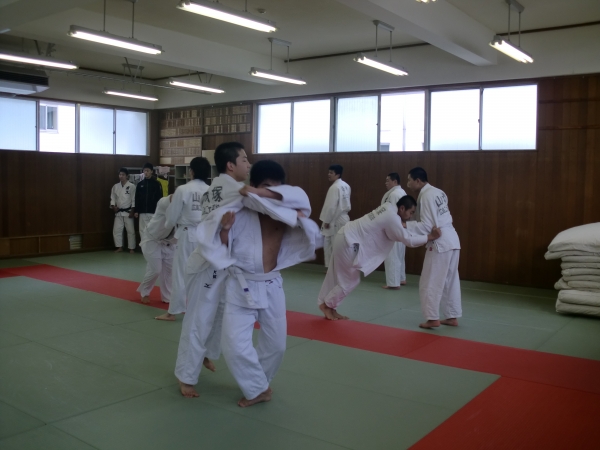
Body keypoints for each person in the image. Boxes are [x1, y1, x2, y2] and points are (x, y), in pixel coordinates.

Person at [219, 160, 321, 407]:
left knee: (276, 346)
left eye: (276, 189)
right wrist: (225, 230)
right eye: (265, 187)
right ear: (253, 185)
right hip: (241, 284)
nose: (270, 193)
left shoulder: (287, 212)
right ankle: (258, 388)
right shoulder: (239, 210)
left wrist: (264, 194)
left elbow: (299, 200)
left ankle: (258, 385)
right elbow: (221, 250)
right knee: (233, 344)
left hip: (271, 283)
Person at [174, 142, 250, 397]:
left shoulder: (216, 187)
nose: (248, 164)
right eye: (244, 159)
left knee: (219, 315)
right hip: (206, 265)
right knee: (198, 319)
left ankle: (204, 354)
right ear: (230, 165)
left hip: (221, 264)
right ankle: (186, 375)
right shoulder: (232, 189)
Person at [318, 196, 441, 321]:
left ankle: (331, 307)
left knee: (340, 278)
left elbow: (399, 230)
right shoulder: (392, 218)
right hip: (348, 242)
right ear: (402, 208)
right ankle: (327, 306)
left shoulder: (388, 207)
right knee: (350, 281)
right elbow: (408, 240)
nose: (410, 216)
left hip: (345, 236)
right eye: (411, 212)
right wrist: (430, 236)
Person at [155, 157, 211, 321]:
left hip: (188, 234)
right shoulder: (211, 190)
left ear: (191, 172)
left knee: (180, 273)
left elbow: (172, 217)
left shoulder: (183, 189)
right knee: (203, 272)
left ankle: (173, 312)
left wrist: (168, 227)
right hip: (207, 235)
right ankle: (202, 309)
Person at [406, 167, 462, 329]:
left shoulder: (426, 196)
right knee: (450, 281)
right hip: (452, 239)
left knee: (430, 280)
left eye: (409, 180)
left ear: (418, 181)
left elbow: (427, 226)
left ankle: (432, 318)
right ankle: (451, 316)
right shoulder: (439, 192)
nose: (408, 184)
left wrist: (406, 226)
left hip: (440, 242)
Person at [137, 195, 176, 305]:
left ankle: (167, 297)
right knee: (155, 269)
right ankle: (145, 292)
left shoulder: (187, 208)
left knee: (169, 270)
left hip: (169, 241)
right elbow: (173, 198)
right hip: (152, 239)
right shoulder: (163, 202)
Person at [319, 164, 351, 268]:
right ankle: (333, 268)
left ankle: (334, 268)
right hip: (343, 218)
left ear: (338, 174)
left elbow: (331, 206)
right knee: (338, 245)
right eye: (328, 172)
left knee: (332, 245)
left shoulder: (334, 187)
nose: (329, 174)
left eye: (331, 173)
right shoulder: (346, 186)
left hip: (335, 219)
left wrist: (327, 221)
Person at [381, 173, 408, 290]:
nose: (386, 183)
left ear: (395, 181)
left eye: (388, 180)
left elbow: (390, 213)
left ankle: (393, 283)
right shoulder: (401, 192)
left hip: (393, 227)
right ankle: (401, 278)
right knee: (399, 254)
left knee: (392, 254)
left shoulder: (394, 194)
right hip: (401, 226)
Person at [134, 162, 164, 241]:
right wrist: (136, 210)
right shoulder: (140, 184)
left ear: (151, 171)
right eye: (144, 170)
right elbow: (137, 198)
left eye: (147, 170)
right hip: (142, 211)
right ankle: (144, 246)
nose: (146, 172)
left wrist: (159, 211)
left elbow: (160, 198)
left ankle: (152, 245)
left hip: (153, 211)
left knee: (152, 230)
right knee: (142, 230)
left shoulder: (157, 184)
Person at [110, 167, 136, 254]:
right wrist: (113, 206)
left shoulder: (132, 186)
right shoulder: (115, 186)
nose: (121, 176)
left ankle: (131, 248)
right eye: (120, 174)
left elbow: (133, 199)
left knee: (130, 231)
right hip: (118, 212)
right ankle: (119, 247)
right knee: (116, 230)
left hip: (128, 212)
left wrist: (132, 211)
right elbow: (113, 198)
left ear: (127, 176)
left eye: (123, 175)